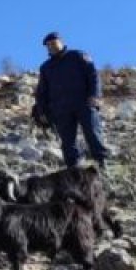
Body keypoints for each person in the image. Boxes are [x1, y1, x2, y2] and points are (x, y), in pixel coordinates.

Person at [34, 31, 109, 169]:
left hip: (84, 103)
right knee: (68, 142)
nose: (51, 46)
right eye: (48, 45)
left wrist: (95, 95)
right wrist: (42, 112)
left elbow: (93, 75)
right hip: (61, 110)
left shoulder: (77, 56)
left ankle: (103, 164)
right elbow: (41, 92)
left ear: (61, 42)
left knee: (93, 133)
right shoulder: (46, 68)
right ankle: (74, 170)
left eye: (53, 42)